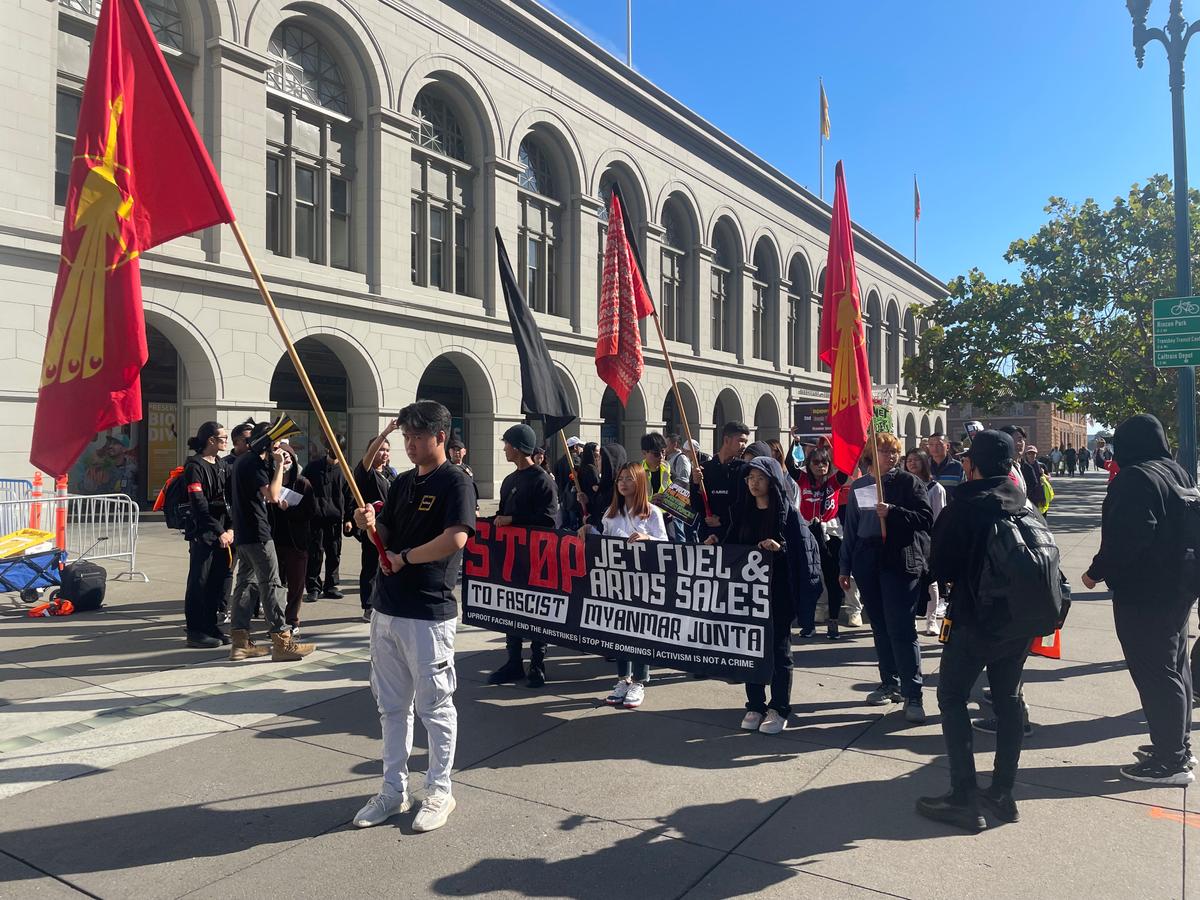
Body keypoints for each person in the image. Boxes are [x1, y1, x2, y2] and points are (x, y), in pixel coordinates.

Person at [351, 400, 476, 833]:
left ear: (440, 437)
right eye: (405, 436)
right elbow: (386, 535)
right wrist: (369, 523)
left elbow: (455, 538)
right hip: (386, 607)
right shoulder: (402, 483)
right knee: (391, 707)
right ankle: (392, 790)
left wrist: (405, 558)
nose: (409, 444)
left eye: (417, 437)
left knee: (435, 706)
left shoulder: (455, 482)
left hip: (427, 612)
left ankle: (440, 789)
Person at [917, 429, 1045, 831]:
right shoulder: (1025, 504)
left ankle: (963, 797)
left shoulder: (966, 505)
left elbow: (939, 566)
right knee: (1008, 699)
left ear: (974, 465)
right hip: (1022, 620)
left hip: (977, 617)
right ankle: (1004, 794)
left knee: (952, 697)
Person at [1083, 414, 1198, 785]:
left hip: (1146, 591)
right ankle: (1176, 746)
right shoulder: (1178, 473)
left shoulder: (1135, 478)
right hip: (1178, 585)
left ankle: (1170, 761)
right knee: (1175, 666)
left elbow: (1128, 537)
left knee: (1156, 673)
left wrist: (1095, 572)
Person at [715, 456, 821, 733]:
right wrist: (716, 543)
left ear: (772, 481)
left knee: (779, 651)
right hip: (749, 595)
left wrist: (780, 548)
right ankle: (755, 704)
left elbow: (804, 556)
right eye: (750, 478)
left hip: (779, 594)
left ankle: (779, 707)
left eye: (760, 478)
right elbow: (732, 547)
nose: (754, 483)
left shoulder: (789, 515)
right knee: (750, 649)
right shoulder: (741, 512)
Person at [839, 433, 933, 723]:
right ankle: (889, 682)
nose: (890, 457)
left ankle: (913, 693)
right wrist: (844, 567)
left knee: (901, 628)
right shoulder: (859, 486)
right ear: (871, 454)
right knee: (879, 625)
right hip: (867, 559)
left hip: (899, 559)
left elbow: (925, 518)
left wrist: (893, 512)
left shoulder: (908, 482)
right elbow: (851, 528)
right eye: (884, 451)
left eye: (894, 452)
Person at [228, 422, 316, 662]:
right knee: (272, 584)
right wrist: (278, 466)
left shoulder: (242, 461)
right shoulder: (255, 462)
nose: (279, 447)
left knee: (246, 584)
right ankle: (281, 641)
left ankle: (240, 642)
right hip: (258, 533)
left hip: (245, 534)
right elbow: (274, 495)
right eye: (277, 442)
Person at [586, 463, 669, 709]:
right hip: (617, 582)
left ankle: (640, 681)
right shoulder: (611, 514)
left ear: (640, 482)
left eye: (629, 479)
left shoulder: (652, 513)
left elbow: (666, 544)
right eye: (620, 479)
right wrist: (587, 530)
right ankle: (623, 678)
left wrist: (648, 539)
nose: (623, 483)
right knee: (620, 630)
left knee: (641, 630)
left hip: (644, 583)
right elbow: (602, 542)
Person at [488, 424, 559, 688]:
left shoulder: (542, 480)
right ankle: (513, 662)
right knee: (511, 608)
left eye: (507, 444)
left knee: (537, 611)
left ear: (517, 447)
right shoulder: (509, 481)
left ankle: (537, 664)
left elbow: (549, 521)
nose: (504, 448)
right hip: (512, 559)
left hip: (537, 560)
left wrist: (513, 520)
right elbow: (501, 516)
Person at [182, 421, 233, 648]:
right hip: (203, 534)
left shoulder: (222, 464)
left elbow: (231, 500)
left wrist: (231, 528)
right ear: (210, 440)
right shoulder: (194, 467)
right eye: (223, 437)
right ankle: (195, 630)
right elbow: (199, 505)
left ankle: (211, 625)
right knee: (199, 582)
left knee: (217, 581)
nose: (226, 441)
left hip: (224, 533)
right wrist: (219, 530)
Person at [797, 445, 846, 640]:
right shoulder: (802, 481)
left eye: (824, 462)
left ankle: (833, 622)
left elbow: (846, 469)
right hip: (808, 533)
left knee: (833, 581)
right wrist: (796, 444)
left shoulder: (834, 482)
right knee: (809, 581)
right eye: (815, 462)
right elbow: (790, 466)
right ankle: (808, 623)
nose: (820, 466)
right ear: (809, 465)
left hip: (831, 536)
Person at [353, 423, 399, 621]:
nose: (384, 453)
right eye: (381, 449)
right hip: (373, 527)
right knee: (371, 567)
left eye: (387, 450)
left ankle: (386, 601)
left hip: (393, 527)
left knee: (388, 565)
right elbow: (368, 460)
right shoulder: (366, 473)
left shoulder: (391, 474)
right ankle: (368, 605)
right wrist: (385, 433)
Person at [274, 444, 317, 636]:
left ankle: (292, 620)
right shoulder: (271, 482)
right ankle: (277, 621)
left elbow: (310, 512)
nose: (286, 459)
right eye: (282, 456)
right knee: (276, 584)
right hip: (275, 541)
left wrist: (289, 509)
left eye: (289, 455)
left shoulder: (303, 483)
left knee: (296, 584)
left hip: (297, 542)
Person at [301, 434, 348, 604]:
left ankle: (331, 586)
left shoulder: (345, 470)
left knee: (334, 553)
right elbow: (302, 489)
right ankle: (313, 587)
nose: (336, 452)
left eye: (339, 450)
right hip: (316, 519)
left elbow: (349, 497)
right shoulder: (313, 467)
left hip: (335, 519)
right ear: (327, 449)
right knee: (315, 554)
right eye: (333, 449)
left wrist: (348, 518)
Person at [905, 448, 947, 636]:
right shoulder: (902, 486)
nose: (912, 463)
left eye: (916, 460)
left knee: (931, 582)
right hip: (908, 540)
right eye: (909, 460)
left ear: (924, 462)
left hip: (929, 540)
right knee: (911, 582)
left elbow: (939, 517)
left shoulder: (935, 488)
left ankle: (931, 620)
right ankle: (911, 620)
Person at [691, 421, 751, 542]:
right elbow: (696, 505)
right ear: (727, 440)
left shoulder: (744, 469)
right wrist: (695, 484)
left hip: (734, 537)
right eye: (740, 441)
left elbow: (745, 504)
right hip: (708, 536)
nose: (744, 446)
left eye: (745, 442)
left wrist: (723, 520)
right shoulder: (704, 469)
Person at [553, 436, 584, 530]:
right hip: (574, 499)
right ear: (575, 447)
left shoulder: (559, 462)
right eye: (580, 446)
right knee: (574, 526)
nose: (581, 449)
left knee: (565, 525)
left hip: (563, 498)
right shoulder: (576, 460)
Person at [928, 433, 964, 501]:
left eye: (939, 444)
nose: (934, 448)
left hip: (951, 509)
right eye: (931, 445)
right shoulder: (924, 466)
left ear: (947, 446)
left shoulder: (958, 467)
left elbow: (963, 490)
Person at [446, 437, 479, 510]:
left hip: (468, 504)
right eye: (453, 450)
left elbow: (472, 489)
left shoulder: (467, 469)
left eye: (458, 450)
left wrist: (476, 507)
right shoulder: (446, 468)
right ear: (449, 452)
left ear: (464, 452)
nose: (456, 452)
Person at [640, 432, 671, 497]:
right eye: (656, 454)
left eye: (663, 452)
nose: (661, 456)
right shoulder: (637, 473)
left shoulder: (670, 472)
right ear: (644, 453)